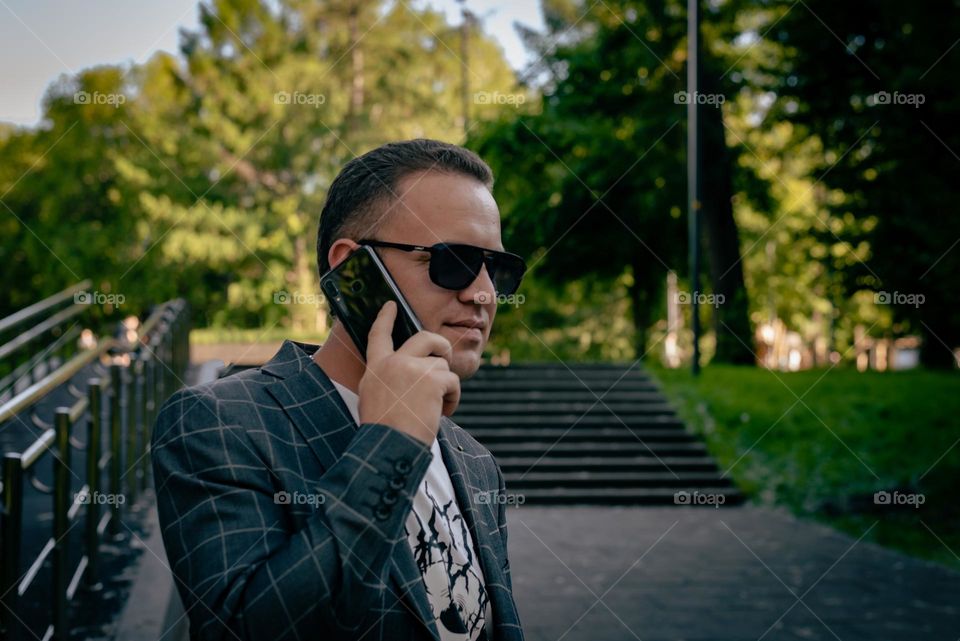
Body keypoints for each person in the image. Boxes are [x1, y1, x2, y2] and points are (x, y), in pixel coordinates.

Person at [152, 139, 526, 641]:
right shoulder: (221, 423)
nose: (482, 292)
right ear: (351, 267)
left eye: (496, 270)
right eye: (453, 261)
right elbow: (245, 630)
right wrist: (390, 445)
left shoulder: (476, 460)